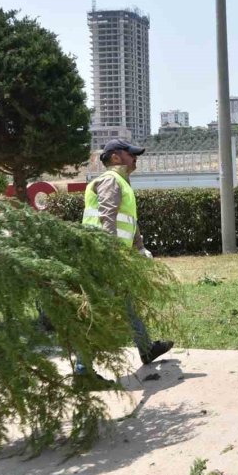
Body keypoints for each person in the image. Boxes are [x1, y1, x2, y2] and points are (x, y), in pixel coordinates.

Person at [75, 138, 173, 387]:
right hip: (102, 258)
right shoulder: (110, 180)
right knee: (97, 312)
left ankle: (147, 349)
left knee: (127, 304)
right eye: (131, 154)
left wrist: (139, 248)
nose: (135, 158)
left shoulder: (122, 182)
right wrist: (111, 254)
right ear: (116, 157)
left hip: (112, 257)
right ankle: (82, 372)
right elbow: (107, 217)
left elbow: (129, 220)